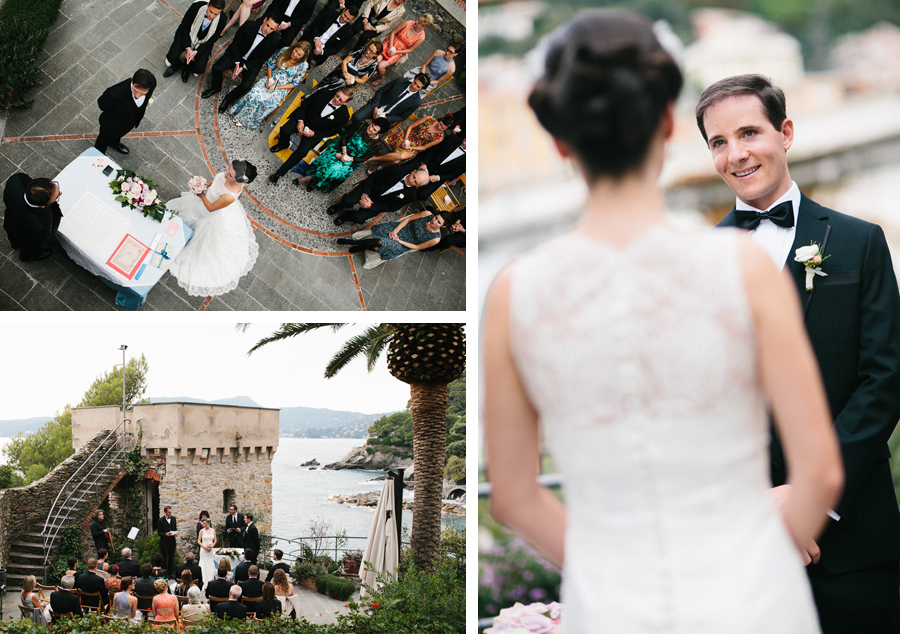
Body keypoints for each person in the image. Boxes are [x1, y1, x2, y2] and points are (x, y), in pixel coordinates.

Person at [482, 10, 844, 634]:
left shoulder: (515, 293)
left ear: (561, 141)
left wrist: (612, 572)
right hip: (755, 599)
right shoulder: (743, 267)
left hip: (614, 606)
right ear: (671, 125)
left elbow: (513, 496)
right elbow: (821, 472)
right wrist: (760, 558)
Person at [699, 74, 900, 634]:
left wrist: (809, 501)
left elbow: (884, 380)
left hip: (854, 537)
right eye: (718, 142)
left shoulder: (861, 242)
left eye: (749, 132)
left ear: (785, 133)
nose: (736, 154)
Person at [168, 159, 260, 297]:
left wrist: (200, 195)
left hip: (204, 211)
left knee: (190, 220)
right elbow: (214, 181)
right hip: (200, 201)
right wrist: (204, 186)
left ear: (238, 181)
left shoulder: (229, 197)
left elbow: (211, 208)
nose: (226, 174)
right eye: (229, 169)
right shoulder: (226, 175)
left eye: (230, 175)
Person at [267, 86, 352, 184]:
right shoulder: (324, 92)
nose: (336, 99)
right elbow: (305, 104)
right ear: (337, 91)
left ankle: (278, 174)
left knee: (302, 152)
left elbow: (331, 131)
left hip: (315, 132)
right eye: (337, 96)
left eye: (340, 100)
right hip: (304, 119)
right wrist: (300, 120)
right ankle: (283, 144)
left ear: (346, 103)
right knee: (285, 130)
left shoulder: (344, 115)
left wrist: (314, 133)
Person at [202, 15, 281, 114]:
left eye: (271, 28)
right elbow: (236, 44)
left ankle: (228, 99)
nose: (267, 29)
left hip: (252, 63)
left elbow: (262, 59)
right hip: (237, 54)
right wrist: (237, 63)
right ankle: (215, 87)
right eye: (267, 25)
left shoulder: (274, 41)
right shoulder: (248, 25)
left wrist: (243, 67)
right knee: (217, 68)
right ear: (264, 20)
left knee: (247, 85)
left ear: (276, 29)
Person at [293, 117, 389, 192]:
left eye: (374, 130)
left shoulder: (377, 145)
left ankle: (308, 178)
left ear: (379, 133)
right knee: (330, 162)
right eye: (372, 125)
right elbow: (344, 137)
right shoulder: (360, 126)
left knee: (334, 168)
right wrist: (344, 153)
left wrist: (346, 158)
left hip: (351, 161)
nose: (370, 128)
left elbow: (363, 159)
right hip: (341, 148)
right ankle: (314, 182)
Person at [228, 42, 310, 129]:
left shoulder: (303, 65)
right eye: (296, 50)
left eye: (299, 54)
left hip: (282, 87)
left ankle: (246, 120)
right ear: (294, 47)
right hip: (271, 77)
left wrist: (277, 87)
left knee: (261, 99)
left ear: (303, 57)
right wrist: (269, 79)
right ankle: (239, 112)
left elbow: (295, 83)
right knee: (254, 93)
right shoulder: (285, 50)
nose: (295, 54)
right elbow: (270, 64)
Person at [326, 161, 431, 226]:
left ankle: (345, 216)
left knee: (359, 218)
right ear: (413, 172)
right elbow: (373, 177)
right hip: (369, 189)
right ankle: (339, 205)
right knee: (347, 201)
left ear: (418, 186)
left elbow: (392, 207)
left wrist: (371, 206)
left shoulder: (411, 195)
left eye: (415, 182)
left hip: (377, 204)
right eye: (414, 177)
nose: (411, 181)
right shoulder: (396, 169)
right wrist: (365, 194)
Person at [338, 208, 443, 268]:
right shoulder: (427, 214)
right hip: (399, 229)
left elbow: (417, 247)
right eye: (436, 217)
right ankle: (359, 247)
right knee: (380, 236)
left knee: (379, 242)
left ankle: (352, 243)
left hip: (403, 244)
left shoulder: (436, 239)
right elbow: (408, 219)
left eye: (438, 222)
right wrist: (395, 232)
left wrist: (399, 240)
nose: (434, 221)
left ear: (444, 226)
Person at [95, 69, 156, 155]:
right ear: (132, 80)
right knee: (102, 142)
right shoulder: (114, 94)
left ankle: (113, 143)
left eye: (142, 93)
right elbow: (102, 104)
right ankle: (98, 155)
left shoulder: (152, 84)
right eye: (135, 90)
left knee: (116, 136)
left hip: (128, 123)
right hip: (110, 124)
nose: (138, 95)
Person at [3, 174, 62, 262]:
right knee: (32, 246)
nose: (60, 193)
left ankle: (15, 244)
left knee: (14, 236)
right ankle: (26, 257)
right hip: (29, 234)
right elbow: (47, 236)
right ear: (42, 206)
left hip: (10, 220)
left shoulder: (16, 180)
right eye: (57, 197)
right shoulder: (42, 223)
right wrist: (57, 213)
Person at [164, 0, 227, 83]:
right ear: (208, 5)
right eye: (211, 12)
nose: (211, 16)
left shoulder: (222, 19)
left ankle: (187, 67)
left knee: (200, 69)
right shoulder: (196, 7)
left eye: (216, 14)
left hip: (203, 42)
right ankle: (177, 66)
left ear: (221, 11)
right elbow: (184, 27)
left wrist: (197, 51)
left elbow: (213, 39)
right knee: (171, 57)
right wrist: (188, 48)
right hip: (187, 36)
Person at [366, 114, 450, 170]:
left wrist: (410, 147)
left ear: (446, 129)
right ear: (441, 120)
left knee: (397, 160)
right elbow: (411, 126)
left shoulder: (439, 138)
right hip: (405, 136)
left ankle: (375, 160)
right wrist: (405, 140)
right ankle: (375, 164)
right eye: (440, 124)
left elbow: (424, 147)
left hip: (414, 147)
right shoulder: (429, 119)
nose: (439, 127)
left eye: (442, 128)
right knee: (395, 161)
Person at [348, 74, 428, 127]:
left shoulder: (416, 102)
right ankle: (351, 130)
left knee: (375, 136)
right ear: (413, 79)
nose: (414, 86)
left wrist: (386, 118)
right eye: (414, 83)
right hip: (377, 105)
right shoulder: (400, 81)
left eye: (418, 86)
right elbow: (381, 91)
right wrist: (376, 106)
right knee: (356, 117)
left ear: (422, 88)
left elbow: (402, 117)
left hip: (388, 117)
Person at [374, 14, 431, 80]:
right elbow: (393, 33)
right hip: (390, 42)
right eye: (418, 19)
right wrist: (390, 46)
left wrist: (396, 52)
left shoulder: (421, 37)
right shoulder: (408, 23)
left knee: (380, 66)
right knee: (376, 59)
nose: (416, 21)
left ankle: (381, 77)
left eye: (419, 23)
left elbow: (410, 50)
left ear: (424, 27)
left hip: (399, 51)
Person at [313, 40, 380, 95]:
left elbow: (362, 80)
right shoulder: (360, 50)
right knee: (339, 81)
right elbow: (344, 62)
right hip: (342, 70)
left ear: (376, 55)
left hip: (351, 81)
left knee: (341, 82)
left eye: (371, 52)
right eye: (369, 48)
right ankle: (320, 93)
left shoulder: (373, 65)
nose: (368, 51)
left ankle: (318, 93)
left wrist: (352, 78)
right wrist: (346, 75)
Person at [304, 3, 359, 68]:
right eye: (345, 15)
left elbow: (336, 48)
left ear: (352, 20)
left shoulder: (348, 32)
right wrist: (316, 38)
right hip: (312, 38)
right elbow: (314, 25)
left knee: (307, 54)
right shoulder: (329, 12)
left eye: (348, 19)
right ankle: (305, 68)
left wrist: (322, 51)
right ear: (344, 10)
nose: (344, 19)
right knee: (306, 50)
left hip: (322, 51)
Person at [156, 505, 177, 577]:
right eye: (169, 512)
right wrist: (165, 534)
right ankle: (165, 573)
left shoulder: (173, 519)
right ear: (165, 512)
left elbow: (174, 528)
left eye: (171, 512)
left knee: (171, 558)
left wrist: (175, 534)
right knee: (164, 558)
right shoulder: (160, 520)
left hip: (172, 541)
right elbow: (159, 532)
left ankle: (171, 572)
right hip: (164, 542)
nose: (170, 514)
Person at [197, 517, 218, 585]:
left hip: (210, 550)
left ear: (209, 523)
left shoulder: (213, 530)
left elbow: (215, 540)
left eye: (205, 524)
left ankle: (211, 579)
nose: (204, 525)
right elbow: (199, 541)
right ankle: (203, 580)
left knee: (210, 563)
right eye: (203, 524)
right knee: (203, 564)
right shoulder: (201, 531)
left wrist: (212, 546)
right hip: (203, 550)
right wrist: (204, 547)